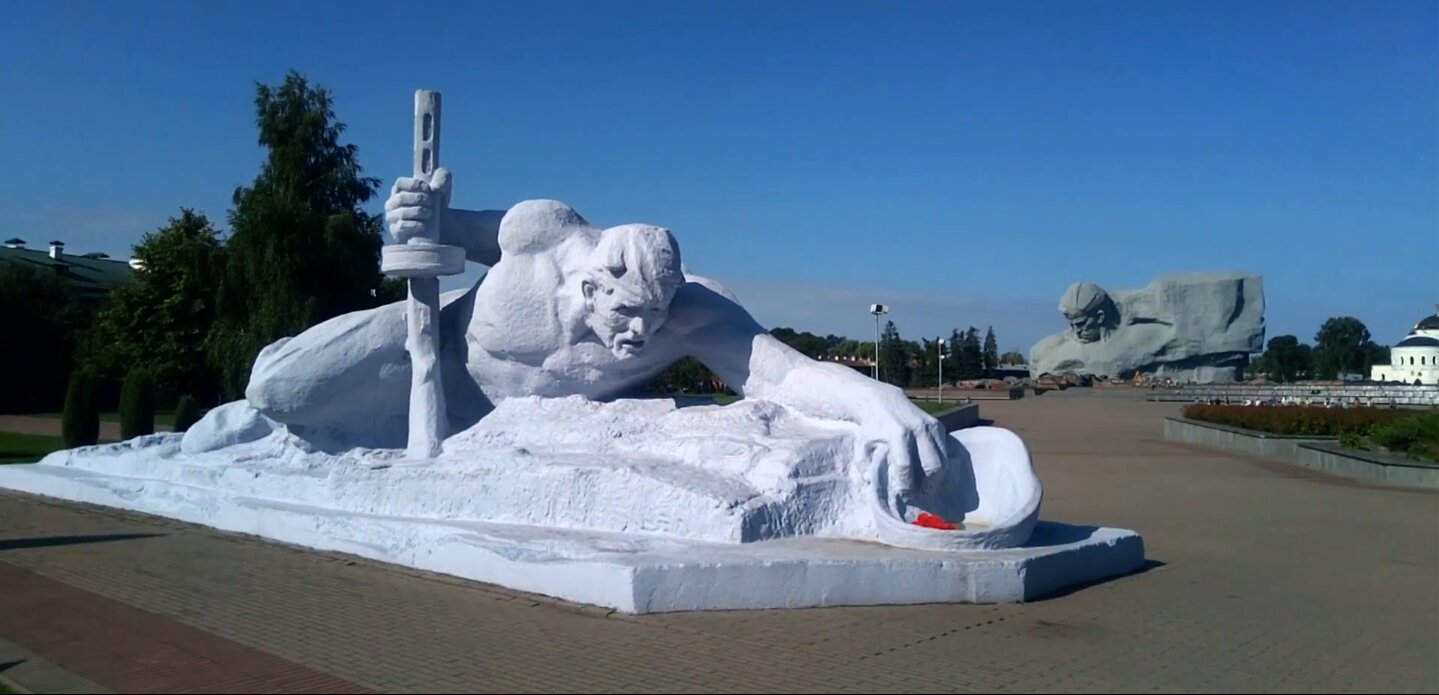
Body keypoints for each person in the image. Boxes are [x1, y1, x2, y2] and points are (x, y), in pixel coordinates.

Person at [238, 168, 950, 506]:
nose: (643, 334)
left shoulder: (691, 310)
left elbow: (782, 373)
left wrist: (875, 397)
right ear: (593, 281)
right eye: (629, 314)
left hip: (465, 432)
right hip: (416, 353)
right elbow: (440, 232)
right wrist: (415, 211)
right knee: (275, 389)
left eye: (657, 315)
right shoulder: (538, 234)